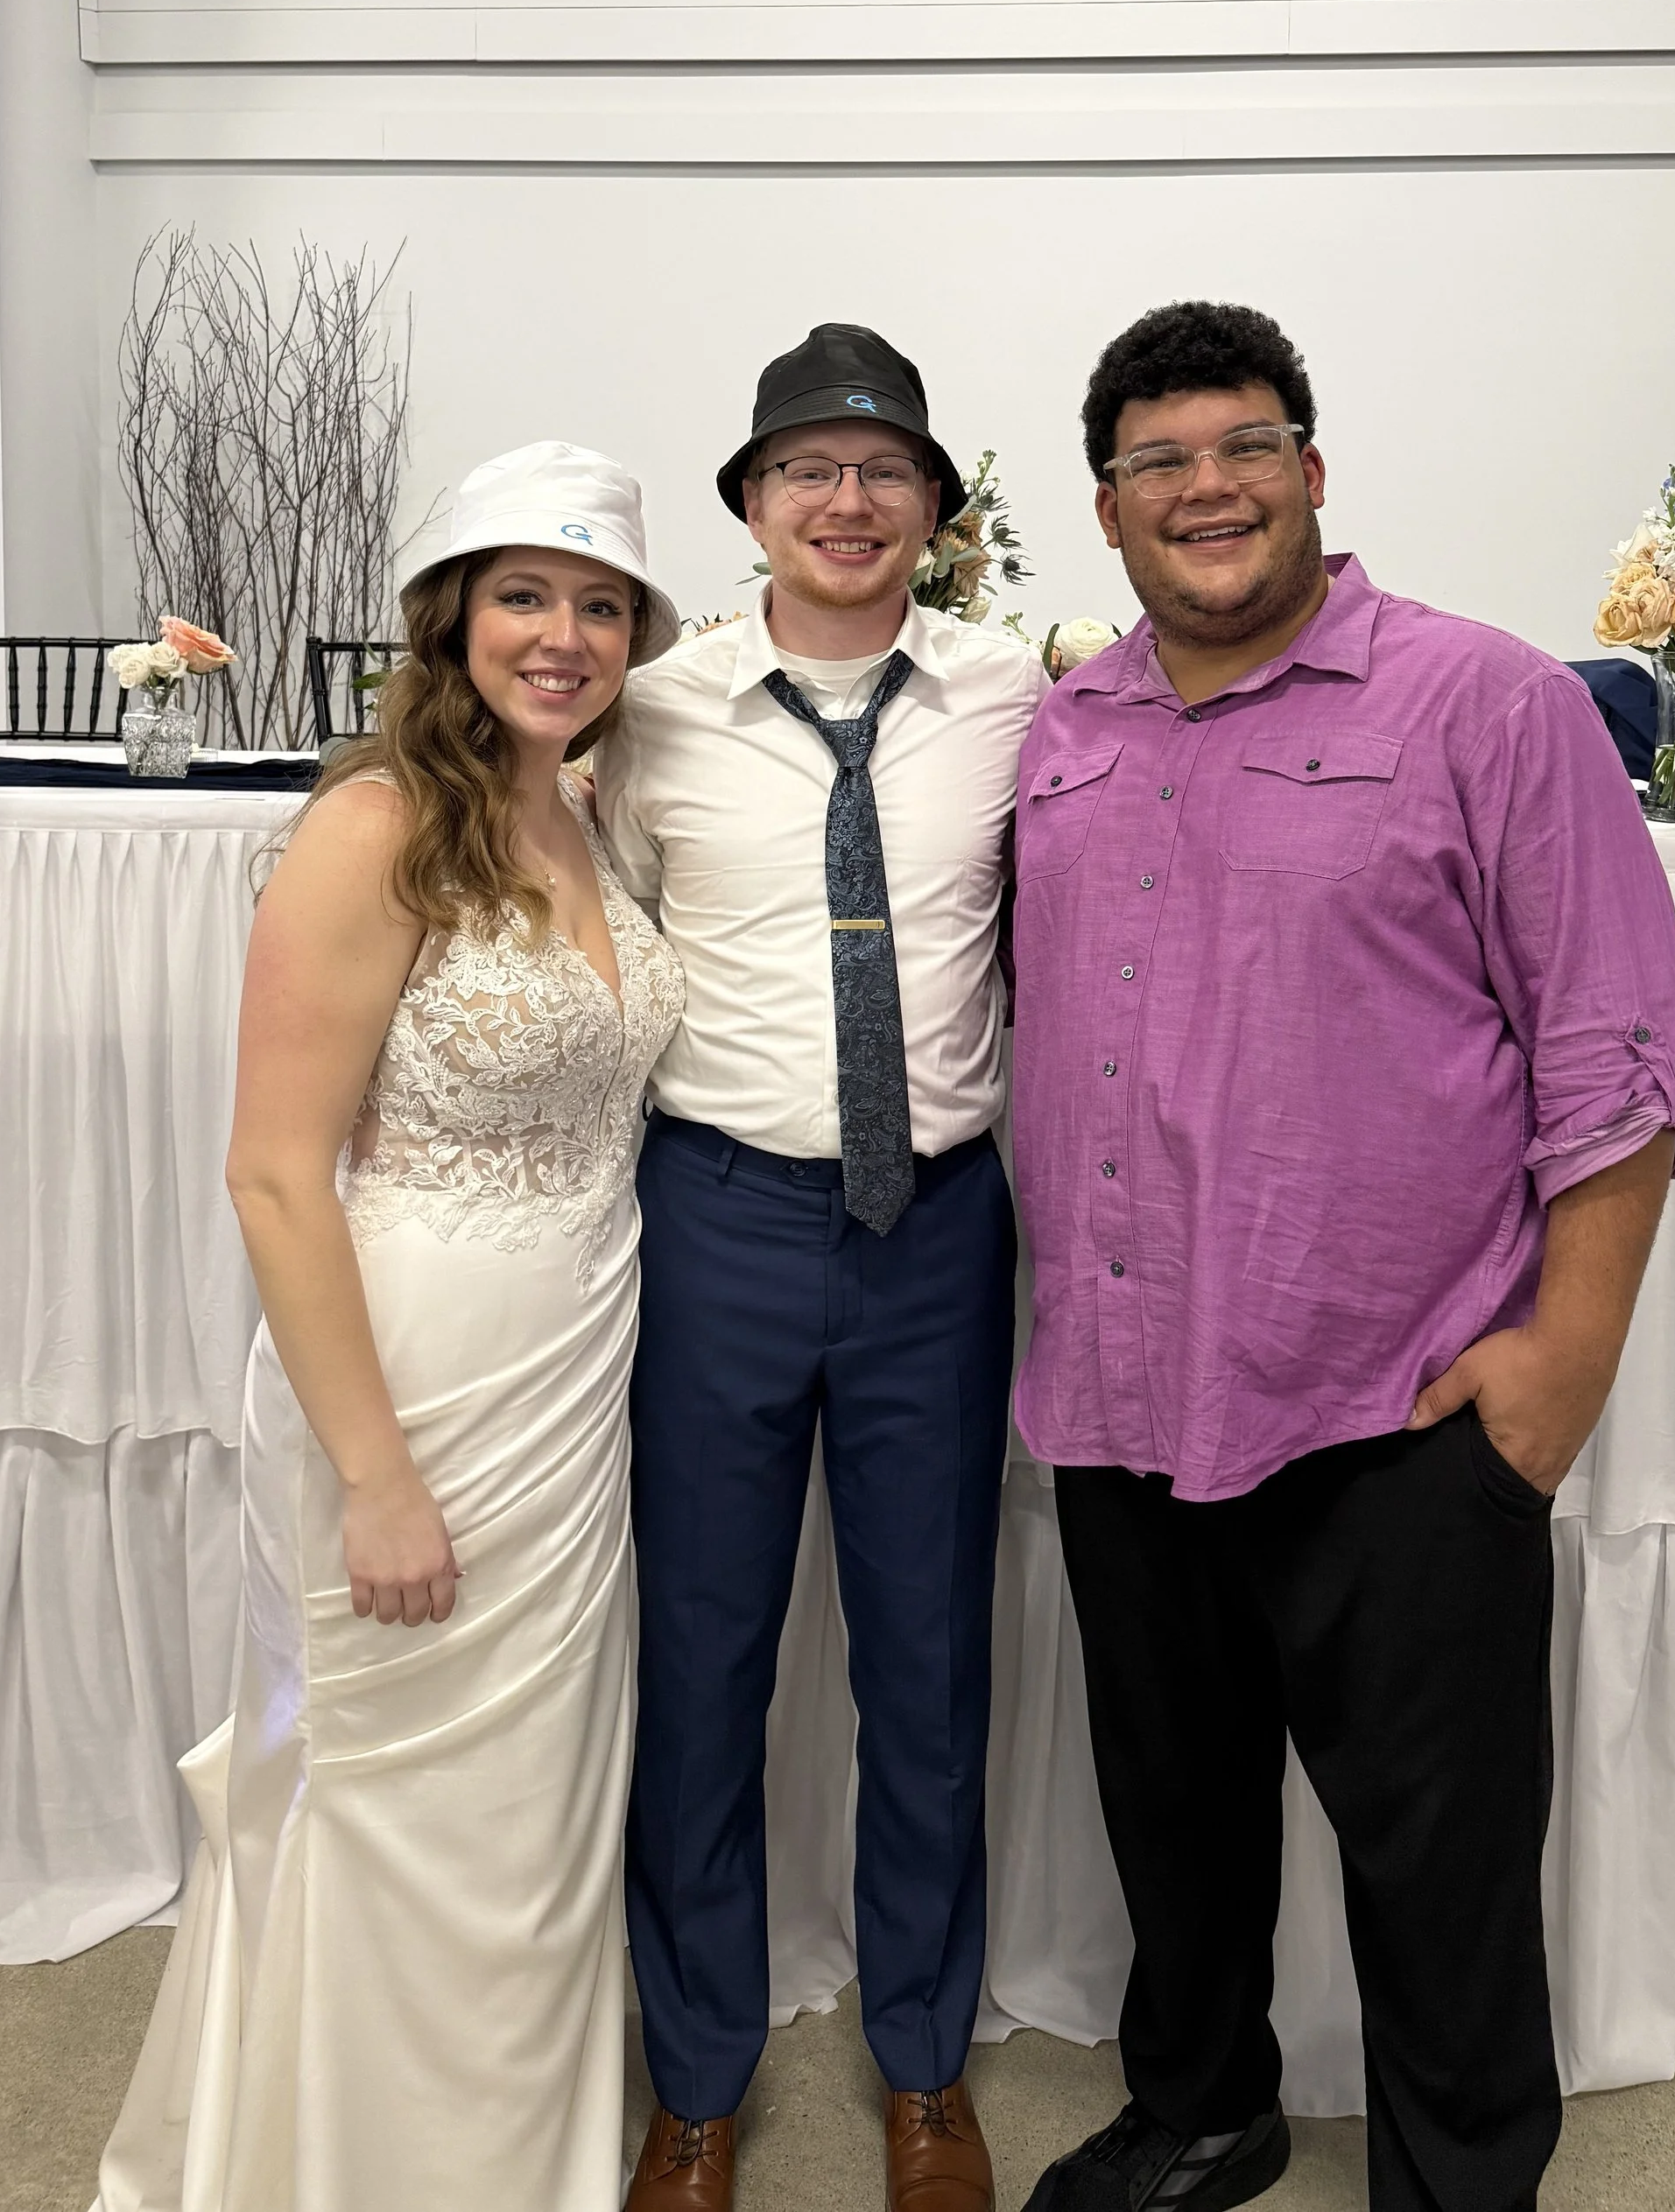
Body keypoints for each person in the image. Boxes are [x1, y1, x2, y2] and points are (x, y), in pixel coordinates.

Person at [1010, 302, 1675, 2212]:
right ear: (1106, 506)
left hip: (1395, 1394)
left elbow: (1618, 1046)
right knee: (1173, 1817)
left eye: (1243, 445)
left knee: (1437, 1850)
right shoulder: (1059, 732)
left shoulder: (1483, 704)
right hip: (1120, 1390)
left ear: (1310, 471)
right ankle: (1205, 2106)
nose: (1204, 485)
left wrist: (1561, 1360)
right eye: (1159, 460)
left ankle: (1460, 2180)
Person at [94, 443, 686, 2212]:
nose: (563, 635)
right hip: (414, 1372)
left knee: (530, 1807)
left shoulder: (574, 803)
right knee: (399, 1793)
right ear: (450, 615)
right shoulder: (372, 824)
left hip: (579, 1366)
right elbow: (275, 1174)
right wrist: (373, 1475)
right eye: (525, 593)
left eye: (597, 603)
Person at [597, 324, 1044, 2212]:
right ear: (751, 507)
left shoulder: (1024, 695)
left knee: (927, 1668)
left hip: (939, 1232)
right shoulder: (653, 713)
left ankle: (922, 2068)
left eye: (880, 470)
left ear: (934, 511)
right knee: (699, 1662)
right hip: (721, 1222)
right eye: (804, 470)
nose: (843, 500)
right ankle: (692, 2078)